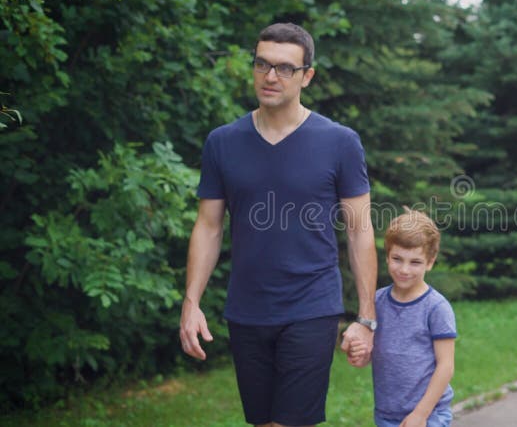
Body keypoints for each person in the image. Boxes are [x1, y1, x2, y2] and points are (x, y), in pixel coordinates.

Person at [178, 22, 378, 427]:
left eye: (285, 68)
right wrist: (191, 302)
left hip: (312, 303)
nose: (271, 77)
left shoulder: (339, 142)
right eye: (262, 64)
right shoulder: (223, 142)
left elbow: (359, 231)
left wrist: (366, 318)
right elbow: (209, 227)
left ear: (307, 76)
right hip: (247, 308)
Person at [344, 209, 457, 427]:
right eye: (397, 259)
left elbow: (446, 366)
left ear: (430, 261)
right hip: (386, 414)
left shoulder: (436, 308)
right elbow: (373, 351)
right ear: (387, 255)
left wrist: (421, 414)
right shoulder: (375, 303)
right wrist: (360, 355)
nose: (404, 269)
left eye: (415, 262)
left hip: (428, 415)